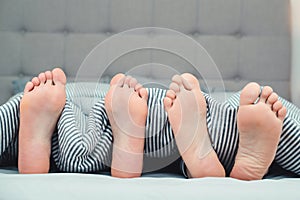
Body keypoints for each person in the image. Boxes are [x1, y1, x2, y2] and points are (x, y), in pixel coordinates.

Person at [0, 68, 299, 180]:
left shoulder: (50, 97)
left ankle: (38, 142)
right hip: (198, 129)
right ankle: (215, 156)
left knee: (76, 122)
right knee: (221, 120)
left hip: (71, 128)